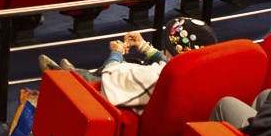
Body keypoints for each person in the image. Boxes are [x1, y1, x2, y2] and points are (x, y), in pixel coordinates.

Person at [40, 18, 218, 113]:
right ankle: (76, 72)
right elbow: (168, 62)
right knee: (131, 62)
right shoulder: (196, 70)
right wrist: (143, 47)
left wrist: (116, 52)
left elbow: (112, 75)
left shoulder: (158, 75)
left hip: (130, 104)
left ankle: (68, 76)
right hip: (156, 102)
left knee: (116, 67)